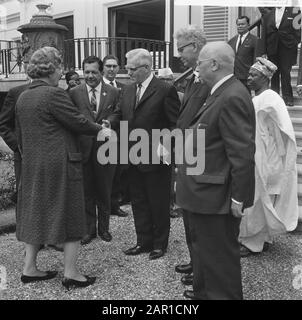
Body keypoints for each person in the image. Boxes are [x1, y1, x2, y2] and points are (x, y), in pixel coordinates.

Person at [15, 47, 103, 289]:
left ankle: (29, 268)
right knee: (72, 215)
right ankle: (71, 273)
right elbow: (77, 121)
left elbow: (20, 135)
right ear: (51, 69)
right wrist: (101, 130)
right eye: (60, 66)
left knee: (35, 213)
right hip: (61, 165)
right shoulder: (53, 94)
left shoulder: (24, 96)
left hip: (34, 166)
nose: (62, 71)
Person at [176, 41, 256, 300]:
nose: (195, 68)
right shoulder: (220, 92)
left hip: (216, 196)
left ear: (214, 64)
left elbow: (242, 154)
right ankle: (204, 294)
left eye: (199, 62)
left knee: (219, 259)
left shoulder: (232, 95)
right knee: (205, 253)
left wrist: (238, 197)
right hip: (204, 193)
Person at [120, 48, 180, 260]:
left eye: (132, 69)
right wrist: (108, 122)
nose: (128, 73)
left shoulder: (165, 90)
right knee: (138, 201)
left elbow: (175, 124)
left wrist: (165, 146)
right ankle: (143, 241)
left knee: (158, 202)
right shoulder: (127, 90)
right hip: (132, 156)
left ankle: (159, 244)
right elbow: (121, 115)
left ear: (146, 68)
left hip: (157, 158)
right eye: (127, 68)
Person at [239, 57, 299, 257]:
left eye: (254, 75)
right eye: (249, 74)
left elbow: (283, 128)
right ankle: (262, 237)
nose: (249, 78)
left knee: (259, 199)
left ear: (265, 78)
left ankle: (253, 243)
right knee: (257, 199)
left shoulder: (271, 97)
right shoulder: (257, 97)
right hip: (256, 152)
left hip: (265, 155)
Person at [69, 56, 121, 245]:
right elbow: (70, 117)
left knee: (105, 190)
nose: (90, 76)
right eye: (87, 72)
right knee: (87, 191)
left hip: (106, 148)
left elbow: (118, 112)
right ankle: (88, 230)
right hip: (83, 149)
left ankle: (104, 229)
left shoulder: (113, 92)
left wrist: (111, 122)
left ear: (101, 72)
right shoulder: (74, 92)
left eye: (94, 72)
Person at [173, 25, 210, 287]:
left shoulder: (209, 77)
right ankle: (195, 260)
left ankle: (203, 269)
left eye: (181, 49)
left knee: (200, 220)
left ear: (195, 46)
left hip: (200, 157)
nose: (179, 56)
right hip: (187, 153)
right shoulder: (193, 76)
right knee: (188, 215)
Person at [102, 54, 129, 217]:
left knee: (117, 172)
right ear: (103, 68)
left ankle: (114, 204)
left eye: (114, 66)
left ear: (119, 68)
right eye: (108, 66)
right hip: (100, 137)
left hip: (119, 137)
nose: (111, 69)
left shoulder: (124, 88)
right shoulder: (97, 87)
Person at [261, 6, 301, 106]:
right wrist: (264, 50)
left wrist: (294, 43)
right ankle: (275, 98)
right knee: (274, 74)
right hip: (272, 47)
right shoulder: (268, 15)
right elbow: (264, 34)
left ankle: (288, 98)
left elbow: (298, 30)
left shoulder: (295, 11)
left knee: (285, 72)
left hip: (287, 47)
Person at [228, 16, 263, 90]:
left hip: (247, 77)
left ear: (248, 25)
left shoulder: (255, 40)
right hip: (233, 77)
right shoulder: (231, 41)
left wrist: (253, 75)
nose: (240, 26)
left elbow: (256, 60)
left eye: (242, 24)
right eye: (238, 24)